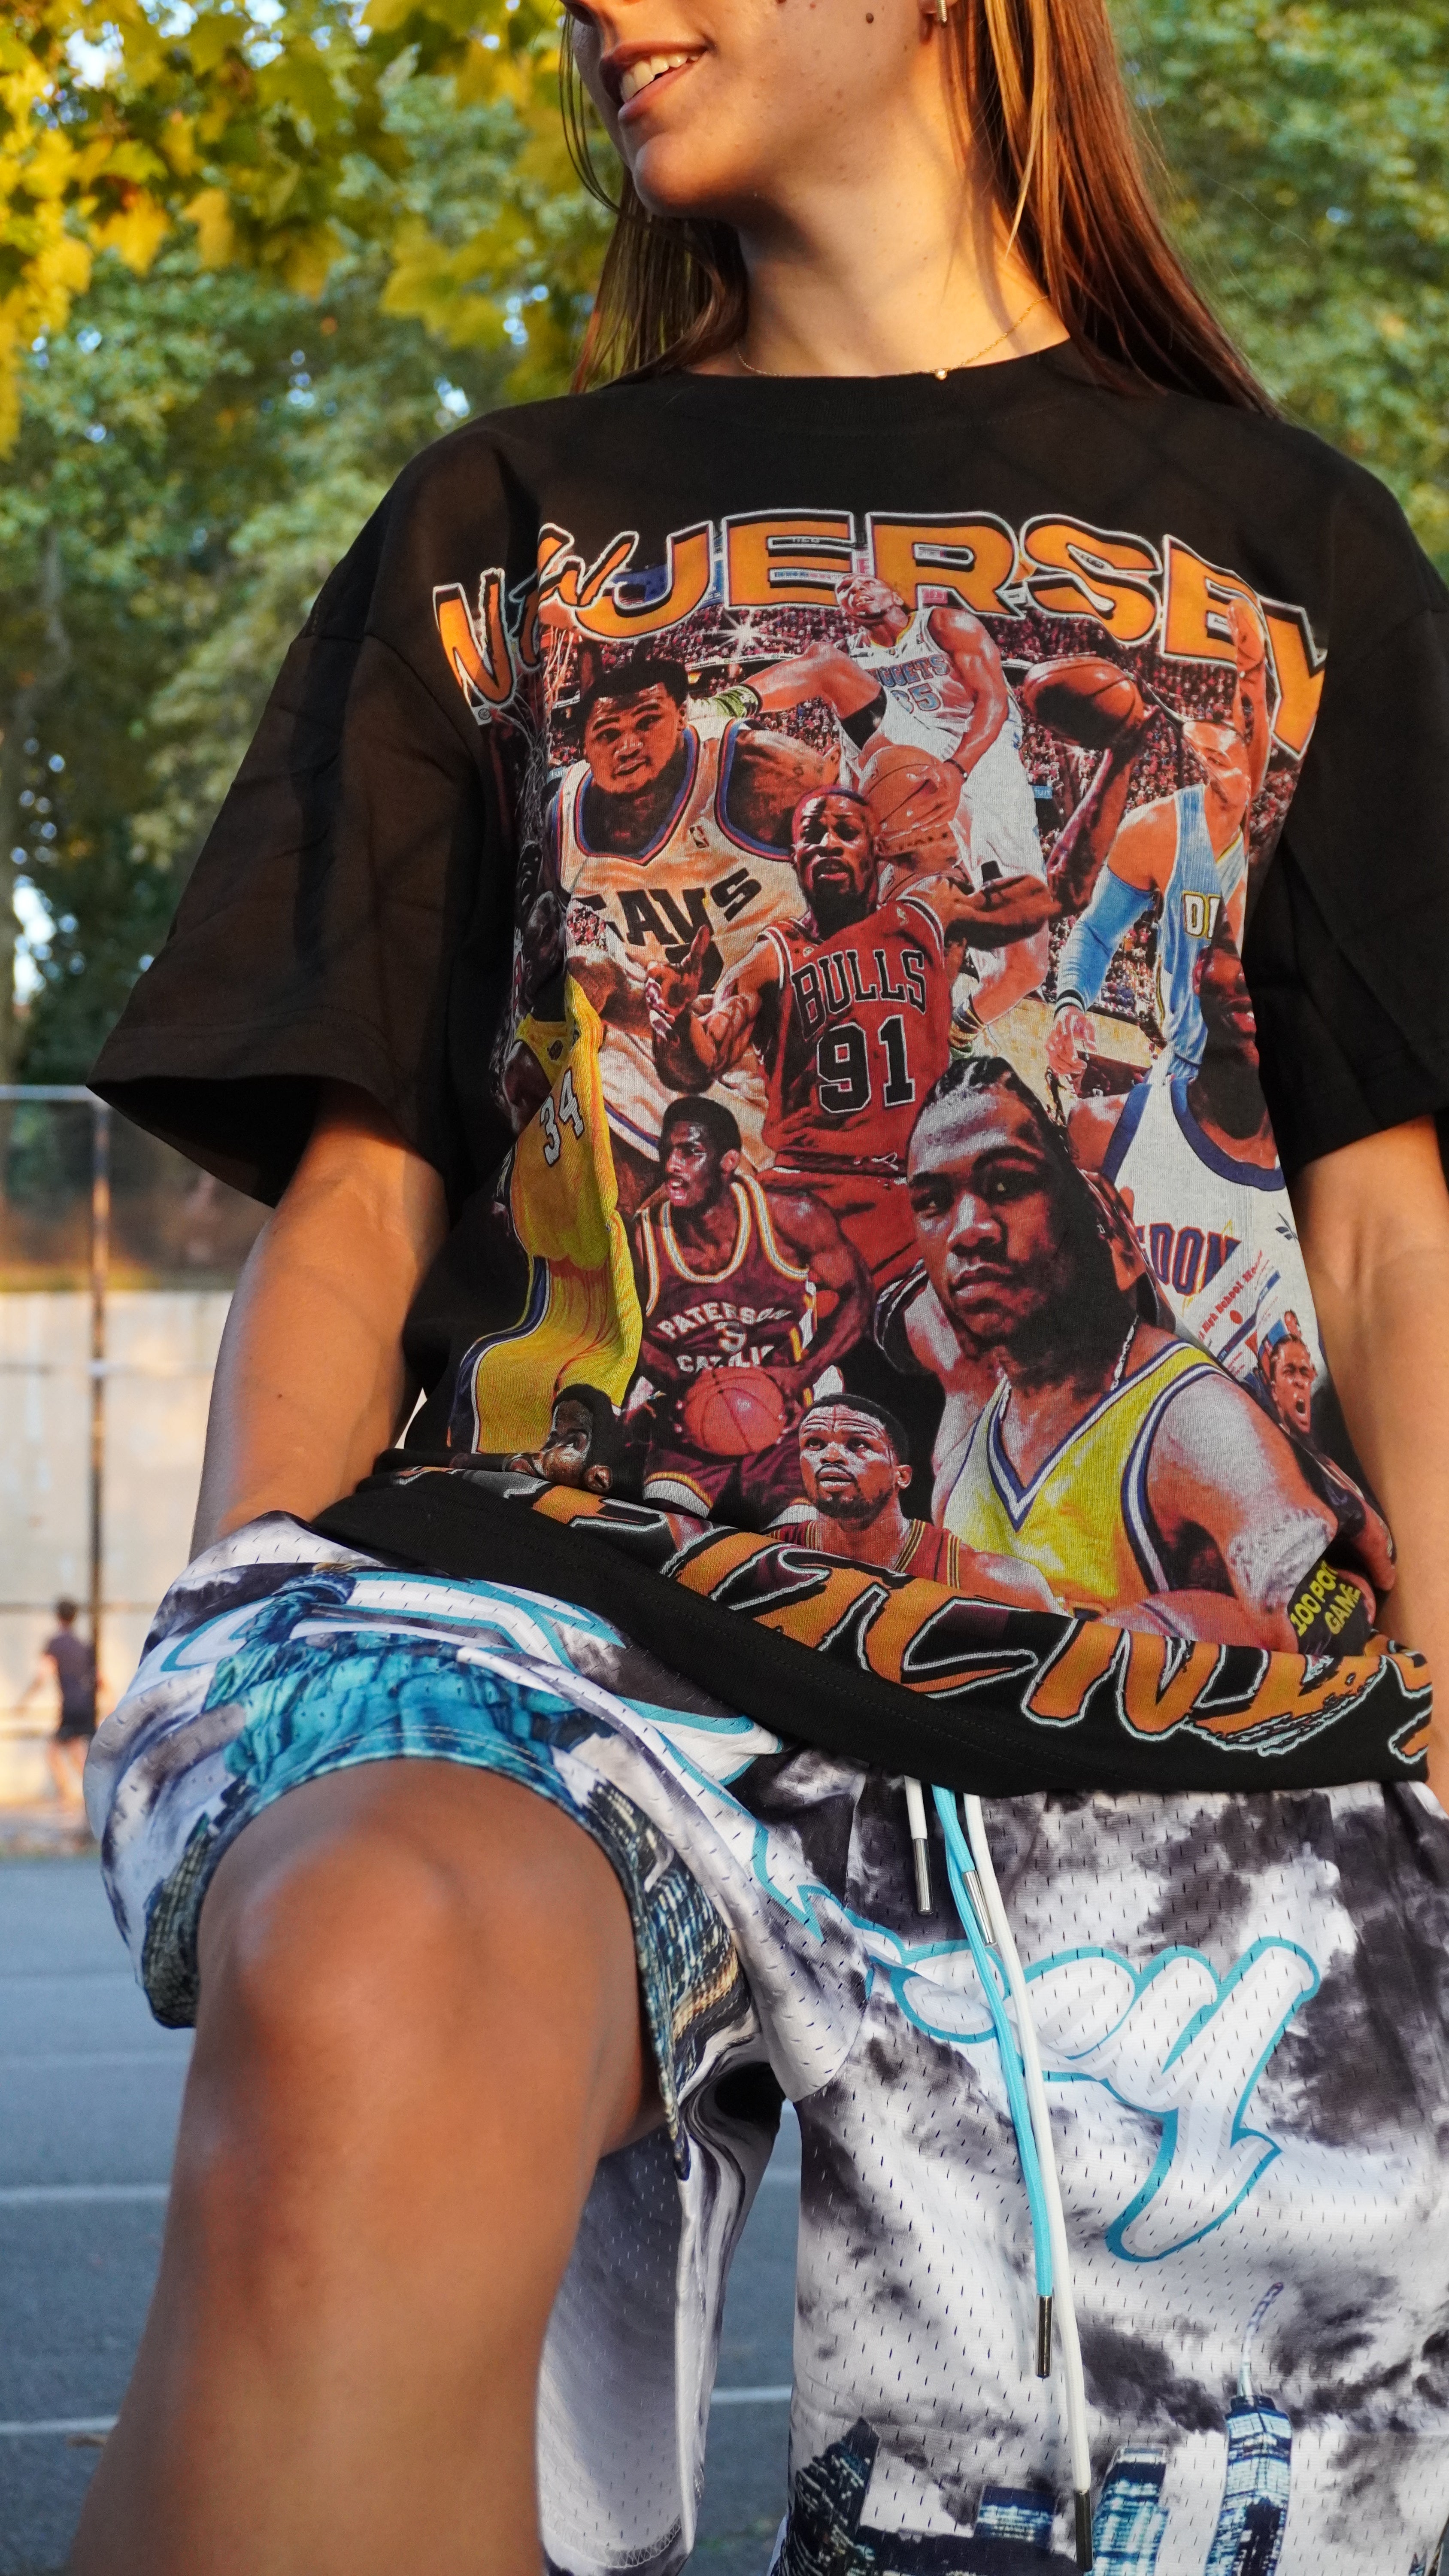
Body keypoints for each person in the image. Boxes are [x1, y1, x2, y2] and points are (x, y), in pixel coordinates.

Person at [72, 0, 1449, 2571]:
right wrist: (231, 1669)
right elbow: (361, 1195)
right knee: (361, 1966)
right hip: (559, 1618)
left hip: (1159, 1714)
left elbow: (1381, 1221)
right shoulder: (497, 520)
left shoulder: (1293, 550)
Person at [648, 784, 1048, 1285]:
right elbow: (698, 1063)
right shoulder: (774, 956)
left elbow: (1037, 910)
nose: (829, 844)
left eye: (845, 832)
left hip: (917, 1188)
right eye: (813, 834)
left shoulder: (920, 920)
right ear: (794, 855)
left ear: (876, 849)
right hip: (812, 1193)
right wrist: (678, 1020)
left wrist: (969, 843)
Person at [551, 651, 824, 1199]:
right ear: (583, 747)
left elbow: (874, 841)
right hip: (660, 1029)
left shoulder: (759, 773)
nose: (628, 745)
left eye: (646, 722)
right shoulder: (561, 816)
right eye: (608, 733)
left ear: (683, 716)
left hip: (778, 1045)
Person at [748, 572, 1050, 1022]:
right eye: (844, 590)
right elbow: (858, 761)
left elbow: (994, 702)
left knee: (1028, 968)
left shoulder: (944, 625)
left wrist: (957, 768)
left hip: (983, 761)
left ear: (895, 593)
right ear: (844, 611)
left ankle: (960, 1030)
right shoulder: (852, 656)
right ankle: (726, 704)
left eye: (864, 583)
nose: (854, 591)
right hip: (909, 757)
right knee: (826, 664)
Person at [1047, 598, 1271, 1086]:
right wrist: (1069, 1004)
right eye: (1215, 750)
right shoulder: (1156, 829)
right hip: (1190, 1070)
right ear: (1196, 746)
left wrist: (1253, 668)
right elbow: (1097, 932)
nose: (1234, 759)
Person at [628, 1093, 868, 1517]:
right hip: (689, 1413)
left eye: (690, 1152)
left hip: (788, 1406)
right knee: (666, 1531)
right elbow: (626, 1331)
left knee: (797, 1535)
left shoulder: (790, 1218)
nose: (672, 1165)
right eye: (667, 1151)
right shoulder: (642, 1239)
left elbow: (858, 1292)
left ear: (729, 1162)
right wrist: (680, 1383)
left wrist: (804, 1372)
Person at [791, 1392, 1055, 1607]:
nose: (831, 1456)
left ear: (901, 1476)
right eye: (814, 1443)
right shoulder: (777, 1549)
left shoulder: (980, 1578)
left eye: (858, 1444)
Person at [21, 1599, 97, 1810]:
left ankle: (68, 1796)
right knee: (75, 1749)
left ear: (58, 1617)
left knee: (53, 1752)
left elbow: (43, 1674)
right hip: (86, 1705)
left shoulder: (55, 1644)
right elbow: (99, 1678)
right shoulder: (84, 1645)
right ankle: (92, 1793)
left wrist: (25, 1701)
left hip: (70, 1706)